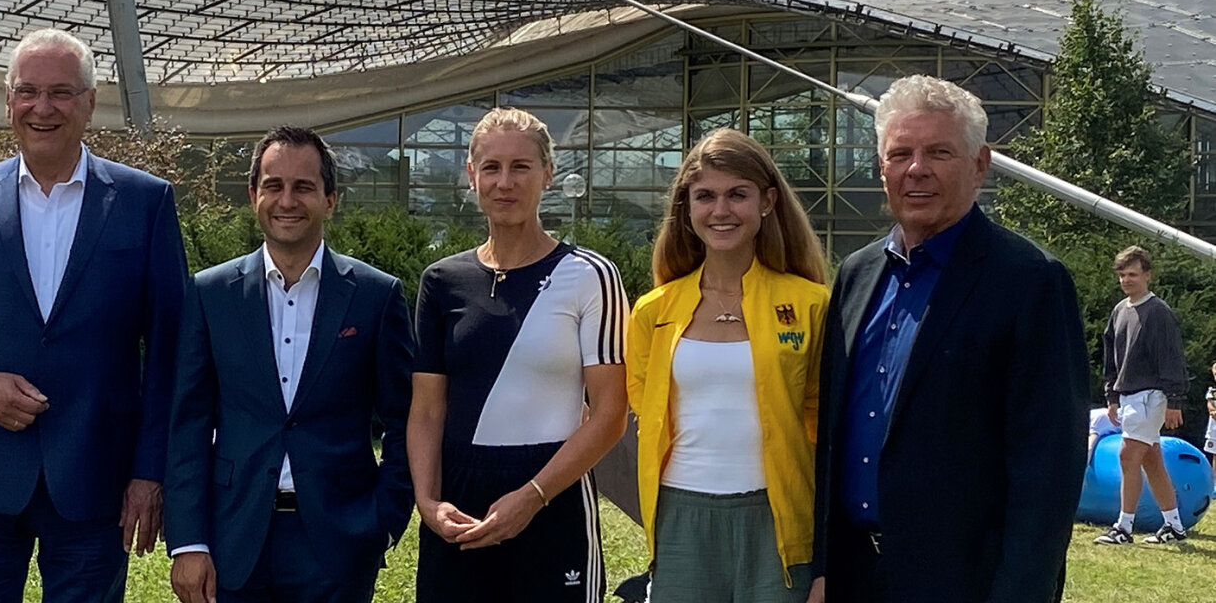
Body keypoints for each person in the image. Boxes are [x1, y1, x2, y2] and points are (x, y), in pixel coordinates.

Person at [0, 28, 189, 603]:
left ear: (89, 102)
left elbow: (172, 348)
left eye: (61, 92)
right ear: (8, 101)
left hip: (96, 480)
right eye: (27, 91)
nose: (42, 107)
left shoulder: (144, 201)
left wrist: (151, 472)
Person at [812, 75, 1089, 603]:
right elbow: (832, 436)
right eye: (901, 154)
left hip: (964, 580)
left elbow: (1048, 466)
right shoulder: (856, 274)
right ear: (881, 168)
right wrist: (822, 566)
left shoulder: (1030, 281)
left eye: (939, 152)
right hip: (852, 575)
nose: (917, 169)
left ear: (980, 164)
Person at [165, 126, 414, 603]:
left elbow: (405, 420)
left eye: (304, 187)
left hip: (339, 539)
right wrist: (189, 541)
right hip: (233, 537)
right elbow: (187, 424)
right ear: (254, 194)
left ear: (330, 199)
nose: (288, 200)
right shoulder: (210, 294)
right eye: (274, 185)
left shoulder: (376, 297)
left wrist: (384, 521)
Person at [409, 107, 629, 603]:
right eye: (491, 167)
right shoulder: (441, 282)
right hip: (458, 512)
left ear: (548, 174)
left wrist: (532, 497)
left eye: (521, 166)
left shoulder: (591, 276)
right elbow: (426, 409)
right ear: (472, 175)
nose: (504, 182)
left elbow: (611, 414)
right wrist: (427, 501)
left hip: (552, 503)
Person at [625, 129, 830, 602]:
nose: (721, 211)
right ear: (687, 208)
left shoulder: (811, 304)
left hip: (778, 521)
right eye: (705, 196)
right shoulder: (654, 311)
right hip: (680, 517)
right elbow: (645, 409)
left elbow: (829, 434)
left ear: (767, 201)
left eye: (738, 194)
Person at [1093, 245, 1193, 545]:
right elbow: (1111, 356)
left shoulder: (1158, 312)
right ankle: (1174, 526)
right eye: (1122, 274)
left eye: (1133, 274)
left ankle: (1123, 528)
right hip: (1128, 397)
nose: (1127, 280)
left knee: (1127, 455)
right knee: (1151, 460)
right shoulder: (1120, 310)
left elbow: (1171, 357)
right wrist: (1111, 396)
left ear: (1147, 275)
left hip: (1151, 395)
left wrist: (1174, 401)